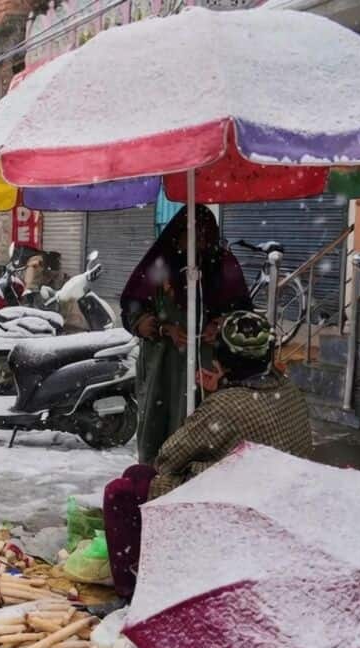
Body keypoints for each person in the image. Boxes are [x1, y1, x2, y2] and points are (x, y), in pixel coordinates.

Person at [103, 311, 312, 599]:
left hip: (234, 502)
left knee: (121, 491)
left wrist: (214, 398)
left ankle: (132, 591)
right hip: (277, 492)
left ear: (221, 360)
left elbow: (167, 459)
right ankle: (153, 565)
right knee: (138, 475)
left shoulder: (226, 405)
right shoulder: (290, 391)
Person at [120, 206, 254, 464]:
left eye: (205, 235)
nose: (198, 241)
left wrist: (221, 324)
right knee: (160, 428)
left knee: (204, 431)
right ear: (177, 234)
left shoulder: (223, 263)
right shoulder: (159, 264)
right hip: (163, 364)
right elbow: (132, 310)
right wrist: (162, 328)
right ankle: (158, 476)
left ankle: (198, 478)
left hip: (208, 365)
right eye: (191, 234)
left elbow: (243, 313)